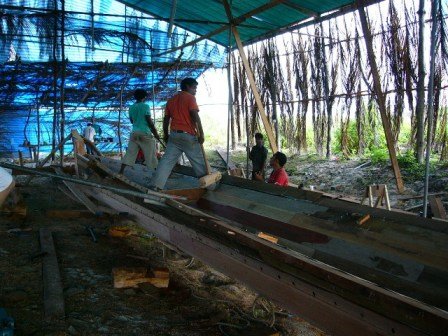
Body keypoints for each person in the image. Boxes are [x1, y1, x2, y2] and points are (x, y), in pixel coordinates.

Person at [150, 77, 206, 190]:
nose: (196, 90)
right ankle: (210, 185)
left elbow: (166, 120)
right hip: (188, 135)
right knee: (199, 162)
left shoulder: (171, 100)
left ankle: (156, 186)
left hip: (174, 136)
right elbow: (195, 116)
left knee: (166, 162)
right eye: (194, 88)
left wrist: (166, 135)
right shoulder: (190, 98)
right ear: (187, 87)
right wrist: (201, 134)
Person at [119, 89, 161, 174]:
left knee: (130, 153)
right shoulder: (146, 106)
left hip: (134, 133)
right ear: (144, 97)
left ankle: (121, 172)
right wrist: (156, 133)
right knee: (151, 155)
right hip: (145, 133)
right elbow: (149, 121)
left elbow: (132, 121)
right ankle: (156, 174)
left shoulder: (131, 107)